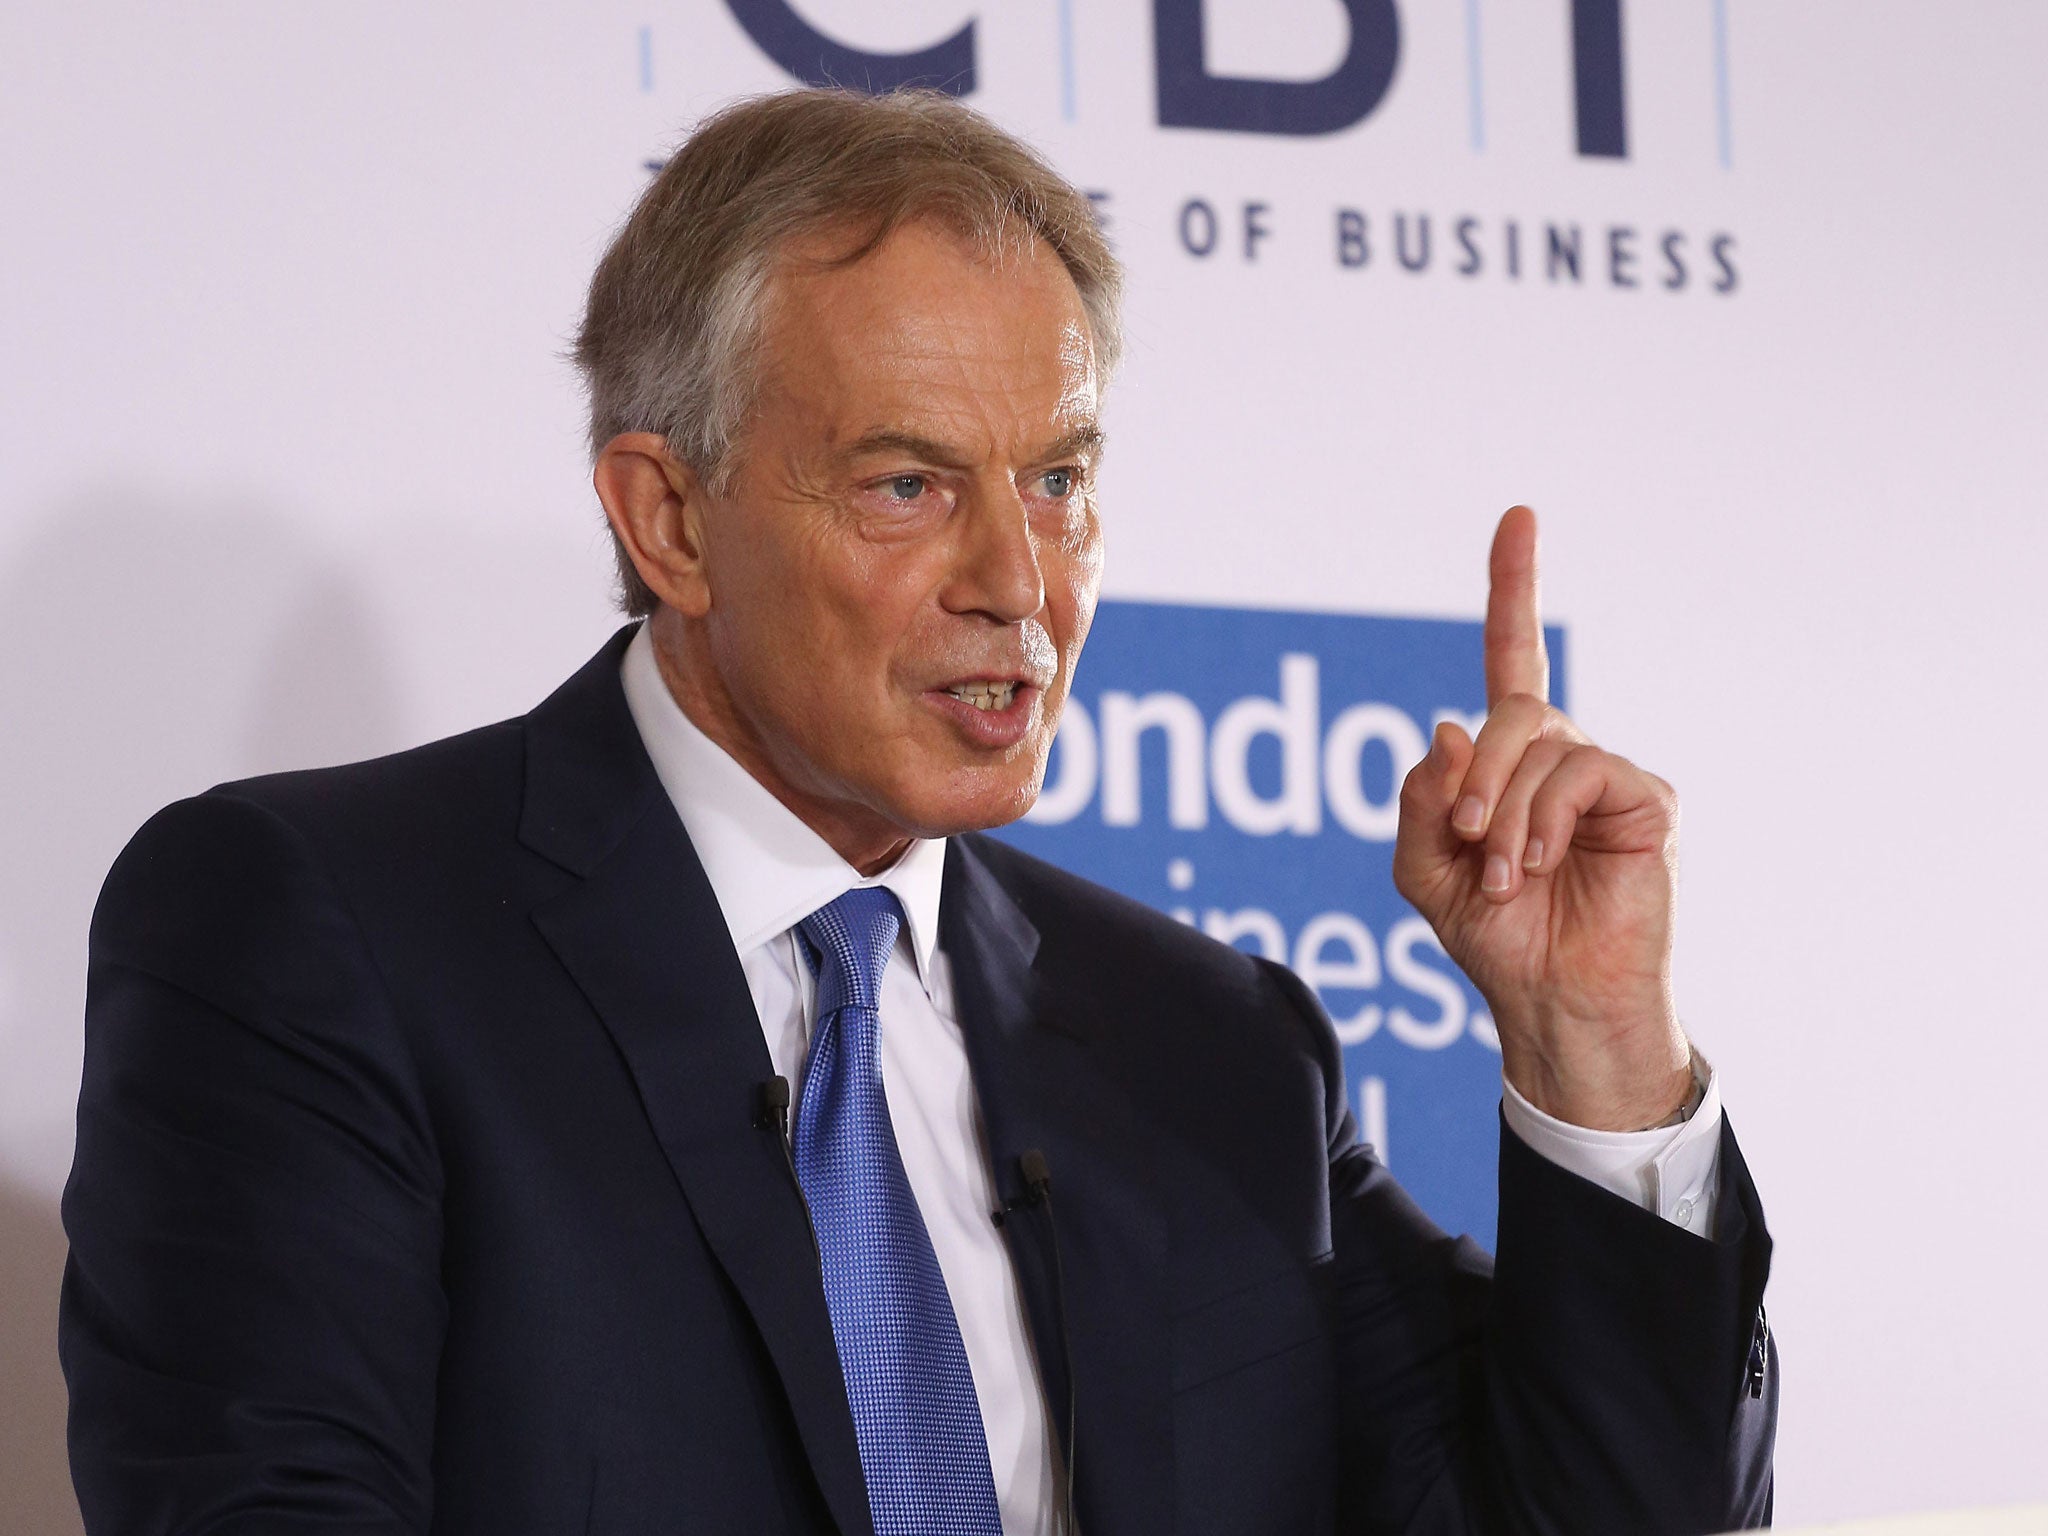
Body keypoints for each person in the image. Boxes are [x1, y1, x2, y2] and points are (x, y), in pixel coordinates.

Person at [60, 88, 1775, 1535]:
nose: (1019, 584)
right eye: (907, 482)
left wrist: (1592, 1047)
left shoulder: (1221, 1051)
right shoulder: (315, 935)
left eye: (1059, 481)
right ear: (669, 518)